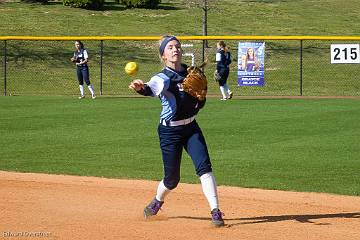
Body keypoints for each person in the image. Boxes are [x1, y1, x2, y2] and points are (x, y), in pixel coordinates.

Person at [128, 35, 225, 227]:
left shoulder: (192, 73)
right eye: (170, 47)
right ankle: (157, 201)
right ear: (163, 55)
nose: (175, 49)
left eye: (177, 46)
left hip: (191, 128)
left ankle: (215, 211)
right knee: (172, 180)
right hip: (169, 133)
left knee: (204, 167)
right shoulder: (162, 78)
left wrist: (202, 97)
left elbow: (199, 104)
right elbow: (150, 88)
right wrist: (140, 87)